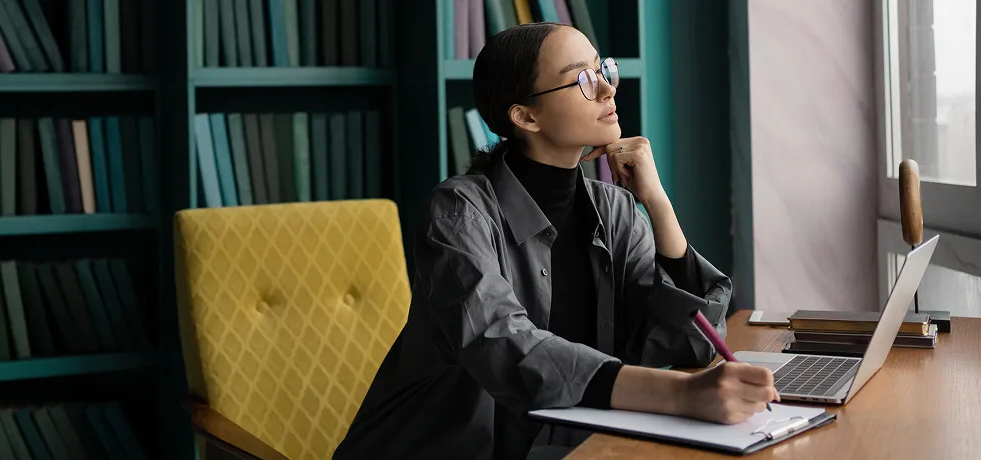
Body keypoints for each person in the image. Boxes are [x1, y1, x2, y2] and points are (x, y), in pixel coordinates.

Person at [332, 23, 779, 460]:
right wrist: (679, 395)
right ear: (525, 116)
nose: (607, 90)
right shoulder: (458, 211)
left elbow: (695, 342)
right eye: (582, 80)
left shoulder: (615, 210)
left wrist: (657, 203)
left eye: (603, 71)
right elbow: (502, 344)